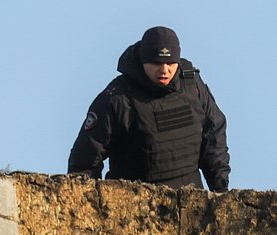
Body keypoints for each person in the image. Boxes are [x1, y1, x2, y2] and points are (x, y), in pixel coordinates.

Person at [68, 26, 230, 191]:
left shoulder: (191, 84)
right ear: (143, 60)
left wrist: (220, 189)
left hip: (191, 202)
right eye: (156, 63)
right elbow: (85, 160)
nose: (164, 70)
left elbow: (214, 133)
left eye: (170, 63)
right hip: (134, 204)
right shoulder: (118, 98)